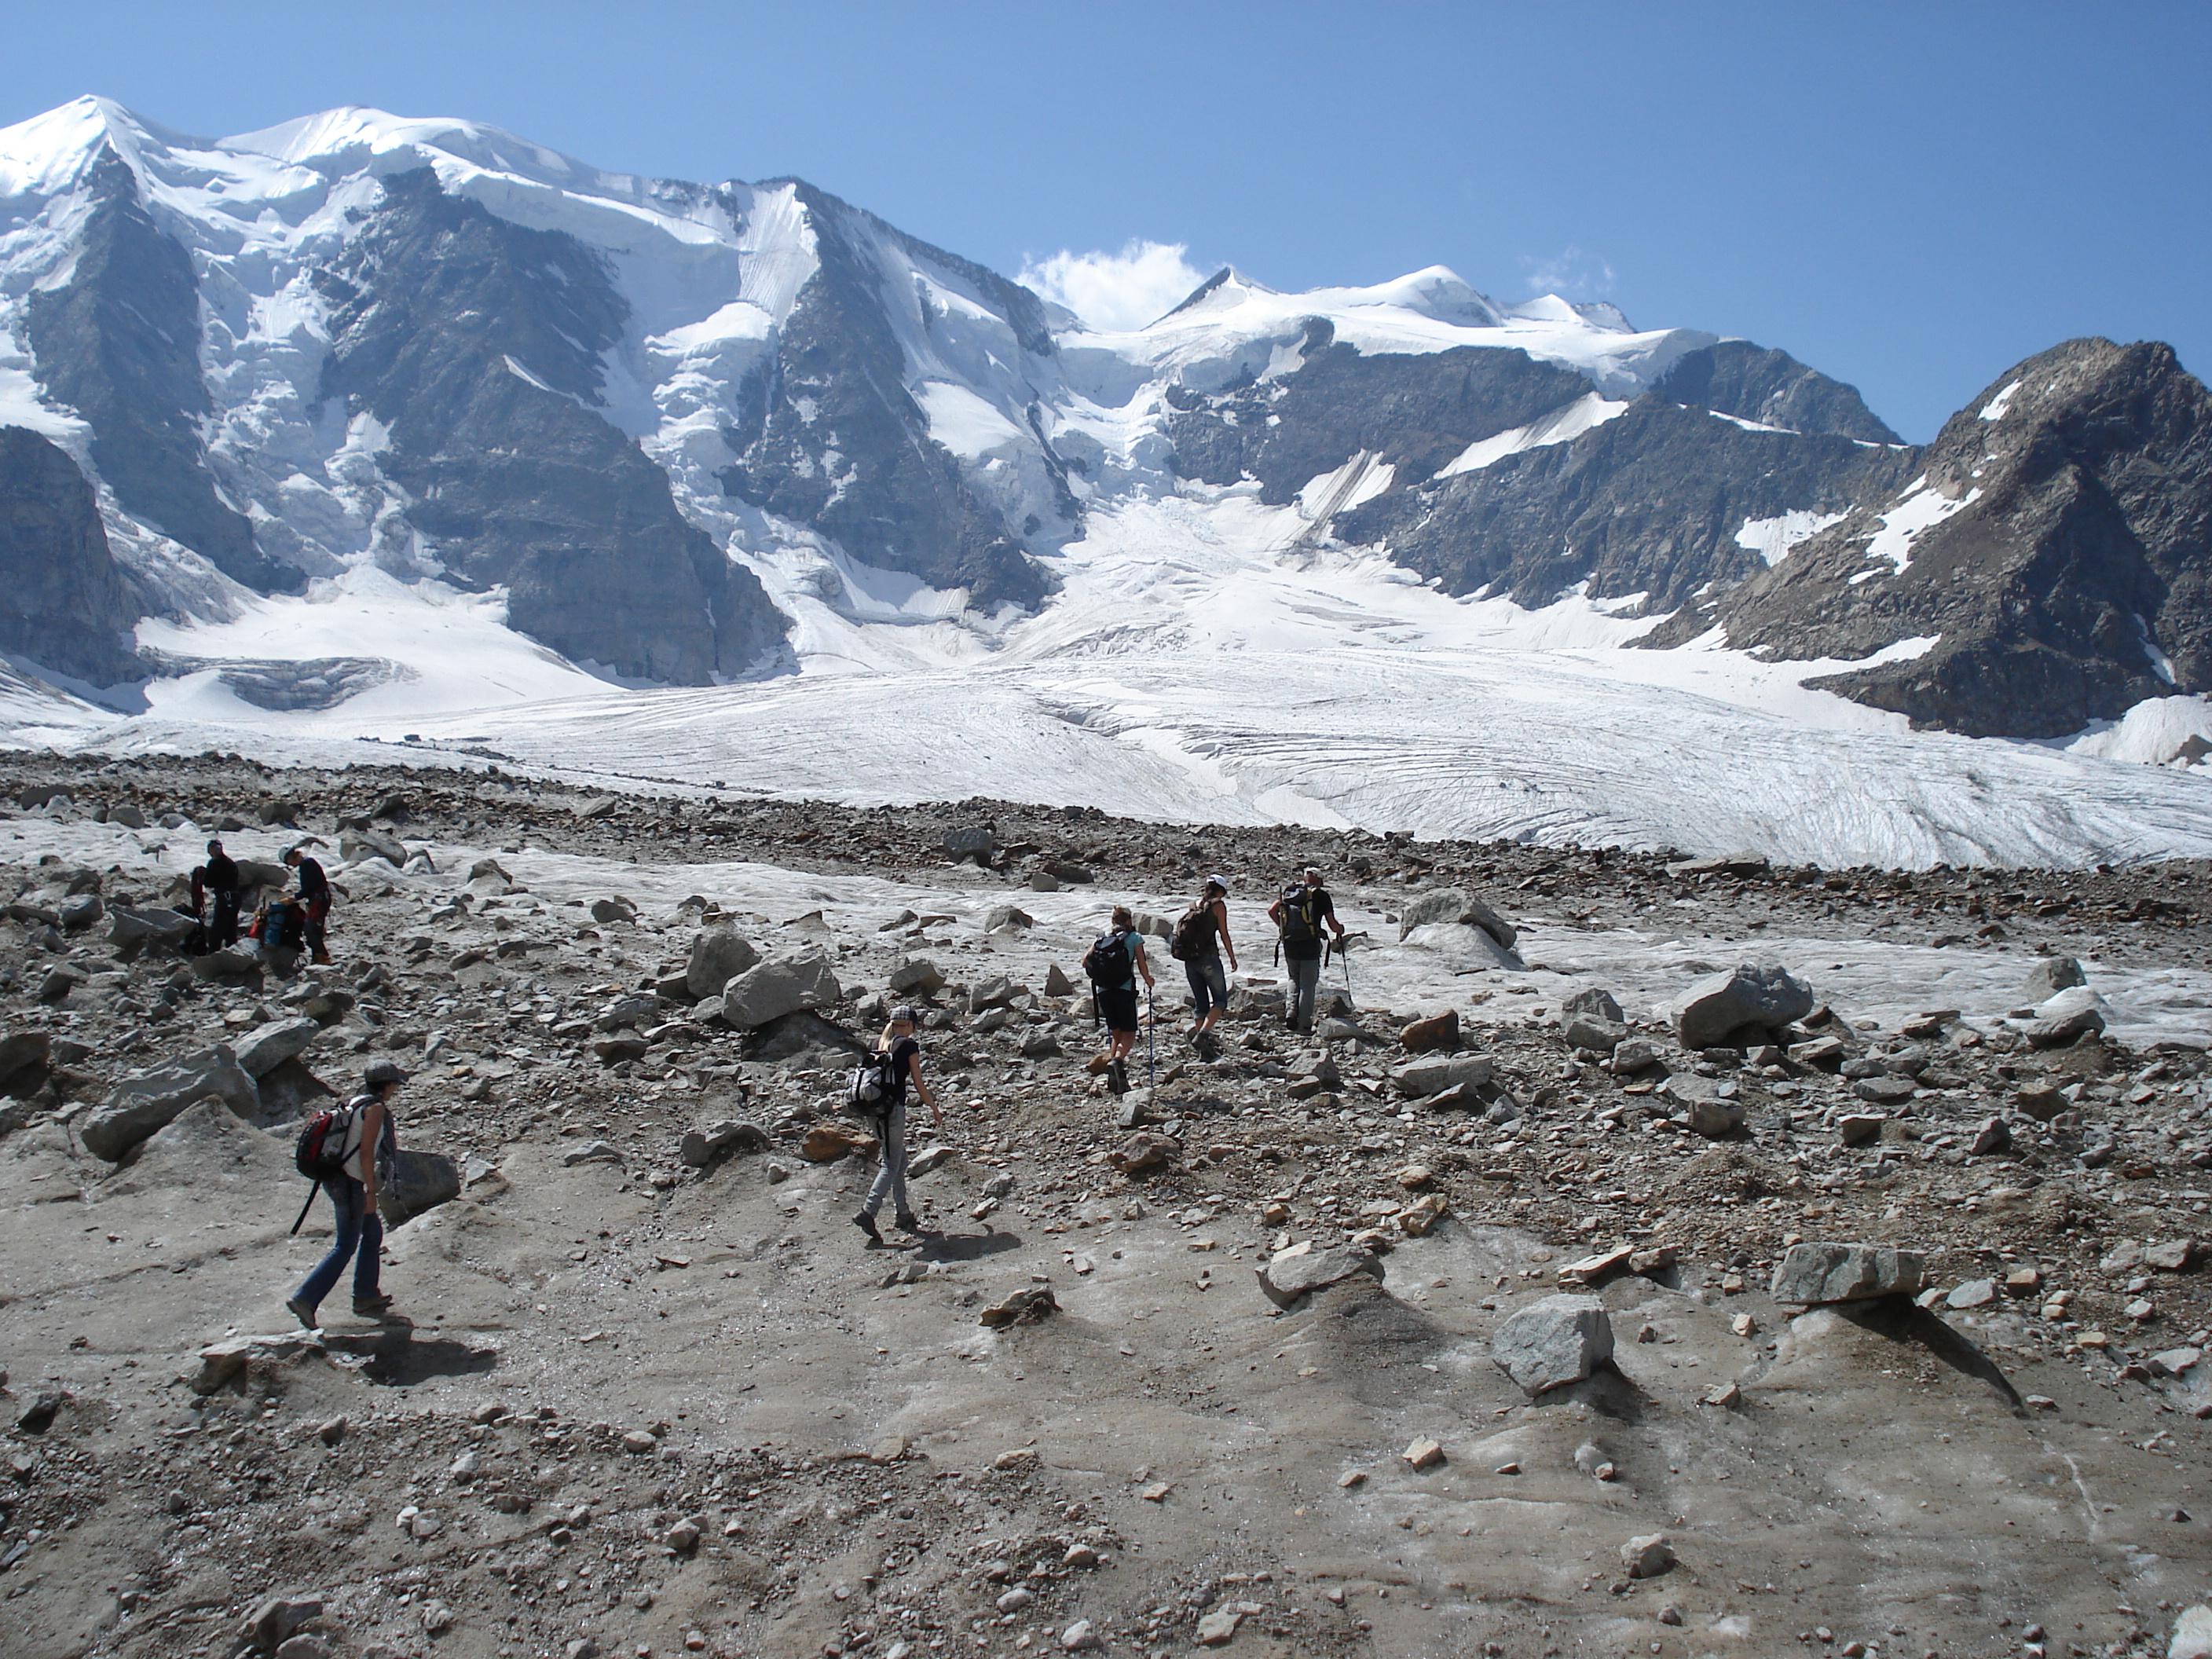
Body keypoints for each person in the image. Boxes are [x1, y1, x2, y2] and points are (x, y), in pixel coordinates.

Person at [287, 1061, 405, 1328]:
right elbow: (366, 1152)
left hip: (336, 1178)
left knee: (372, 1234)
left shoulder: (355, 1102)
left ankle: (365, 1295)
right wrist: (370, 1191)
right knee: (345, 1245)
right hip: (351, 1183)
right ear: (386, 1085)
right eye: (394, 1084)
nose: (395, 1089)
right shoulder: (374, 1109)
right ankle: (305, 1299)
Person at [852, 1006, 942, 1243]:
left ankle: (903, 1213)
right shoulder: (909, 1045)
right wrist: (933, 1107)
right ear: (911, 1025)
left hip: (873, 1109)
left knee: (899, 1159)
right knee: (891, 1163)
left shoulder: (876, 1043)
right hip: (893, 1110)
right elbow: (918, 1082)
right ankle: (868, 1211)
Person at [1269, 866, 1348, 1035]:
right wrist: (1340, 929)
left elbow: (1272, 910)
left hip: (1289, 943)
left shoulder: (1291, 892)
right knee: (1307, 985)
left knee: (1293, 978)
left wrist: (1283, 928)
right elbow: (1333, 925)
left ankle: (1291, 1013)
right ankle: (1304, 1025)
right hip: (1310, 944)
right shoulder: (1321, 896)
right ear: (1319, 879)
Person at [1090, 904, 1155, 1093]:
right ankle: (1117, 1061)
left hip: (1103, 991)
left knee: (1116, 1033)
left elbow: (1086, 961)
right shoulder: (1134, 938)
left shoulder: (1102, 938)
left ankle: (1114, 1080)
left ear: (1112, 921)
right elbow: (1142, 964)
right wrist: (1149, 981)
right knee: (1129, 1034)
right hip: (1124, 990)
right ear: (1129, 920)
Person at [1174, 874, 1239, 1042]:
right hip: (1209, 958)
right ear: (1221, 891)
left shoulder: (1193, 905)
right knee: (1220, 1001)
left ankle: (1201, 1044)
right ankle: (1203, 1034)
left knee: (1201, 1004)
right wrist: (1232, 958)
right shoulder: (1218, 906)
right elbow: (1224, 933)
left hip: (1190, 960)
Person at [284, 845, 332, 965]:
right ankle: (317, 956)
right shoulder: (308, 862)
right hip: (321, 897)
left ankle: (322, 956)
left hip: (318, 899)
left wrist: (294, 898)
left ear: (291, 857)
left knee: (310, 928)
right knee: (315, 928)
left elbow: (308, 888)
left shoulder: (306, 864)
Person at [191, 840, 242, 947]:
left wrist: (202, 874)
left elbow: (208, 882)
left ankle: (213, 952)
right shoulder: (230, 862)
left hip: (224, 898)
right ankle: (232, 950)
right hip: (235, 898)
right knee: (231, 928)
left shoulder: (214, 862)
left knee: (218, 929)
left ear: (212, 850)